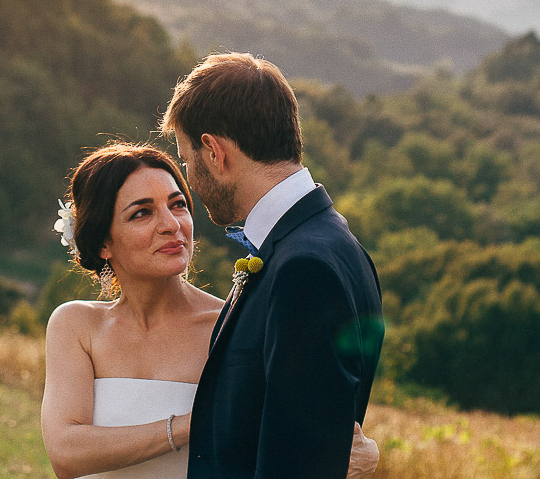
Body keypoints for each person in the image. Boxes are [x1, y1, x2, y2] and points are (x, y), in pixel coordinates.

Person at [41, 141, 378, 479]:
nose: (171, 224)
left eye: (178, 205)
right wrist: (199, 422)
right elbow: (66, 453)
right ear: (102, 243)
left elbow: (303, 439)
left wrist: (361, 456)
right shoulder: (76, 325)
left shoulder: (233, 327)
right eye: (142, 212)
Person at [163, 53, 384, 479]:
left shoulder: (304, 269)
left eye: (187, 159)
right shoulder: (327, 244)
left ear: (214, 152)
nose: (189, 177)